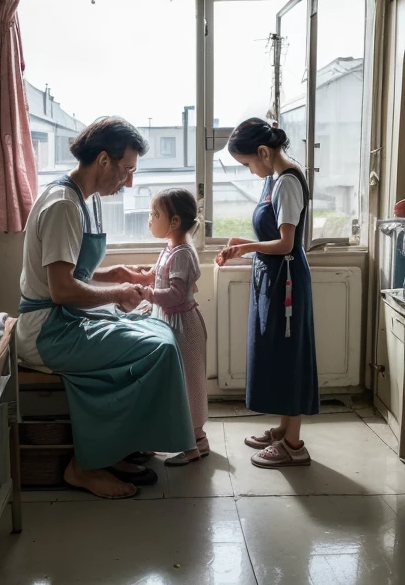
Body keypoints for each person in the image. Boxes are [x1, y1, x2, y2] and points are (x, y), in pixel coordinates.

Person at [17, 117, 195, 499]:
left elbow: (68, 269)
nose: (128, 181)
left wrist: (111, 274)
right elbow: (62, 289)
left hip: (65, 318)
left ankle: (113, 448)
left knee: (159, 329)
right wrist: (116, 294)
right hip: (48, 330)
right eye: (126, 170)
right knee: (158, 348)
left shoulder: (84, 198)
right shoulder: (64, 205)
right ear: (102, 160)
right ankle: (85, 465)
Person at [216, 118, 319, 468]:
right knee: (278, 352)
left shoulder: (288, 182)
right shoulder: (274, 177)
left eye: (247, 163)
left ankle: (293, 445)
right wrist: (243, 246)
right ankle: (283, 428)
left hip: (287, 281)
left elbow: (287, 242)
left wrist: (247, 250)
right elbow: (274, 235)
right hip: (274, 277)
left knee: (288, 354)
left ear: (263, 152)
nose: (249, 170)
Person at [137, 189, 209, 466]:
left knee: (186, 382)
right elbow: (166, 282)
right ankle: (187, 438)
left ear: (175, 222)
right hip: (172, 321)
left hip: (182, 326)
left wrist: (148, 294)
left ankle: (192, 444)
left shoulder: (181, 253)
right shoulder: (171, 249)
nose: (149, 220)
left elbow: (177, 294)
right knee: (174, 381)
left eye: (155, 214)